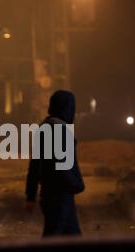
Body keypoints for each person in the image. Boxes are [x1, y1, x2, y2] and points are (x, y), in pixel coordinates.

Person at [25, 90, 85, 237]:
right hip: (59, 196)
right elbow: (62, 167)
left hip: (52, 195)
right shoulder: (59, 130)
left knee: (71, 237)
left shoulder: (46, 127)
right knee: (53, 240)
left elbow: (34, 166)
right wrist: (77, 184)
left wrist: (31, 196)